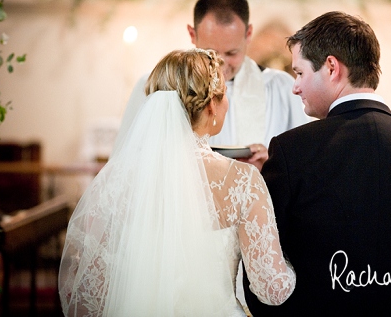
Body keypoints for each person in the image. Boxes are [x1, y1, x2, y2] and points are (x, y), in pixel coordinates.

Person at [242, 11, 391, 316]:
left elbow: (267, 265)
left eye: (300, 73)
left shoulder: (291, 150)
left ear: (331, 67)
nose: (295, 87)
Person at [59, 49, 296, 316]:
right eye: (224, 95)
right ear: (211, 107)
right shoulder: (242, 180)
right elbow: (272, 289)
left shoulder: (116, 181)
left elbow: (88, 295)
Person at [118, 0, 308, 164]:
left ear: (248, 34)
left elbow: (302, 161)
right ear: (192, 34)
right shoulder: (157, 86)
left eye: (232, 53)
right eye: (211, 53)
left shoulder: (281, 87)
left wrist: (273, 163)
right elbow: (128, 161)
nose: (221, 63)